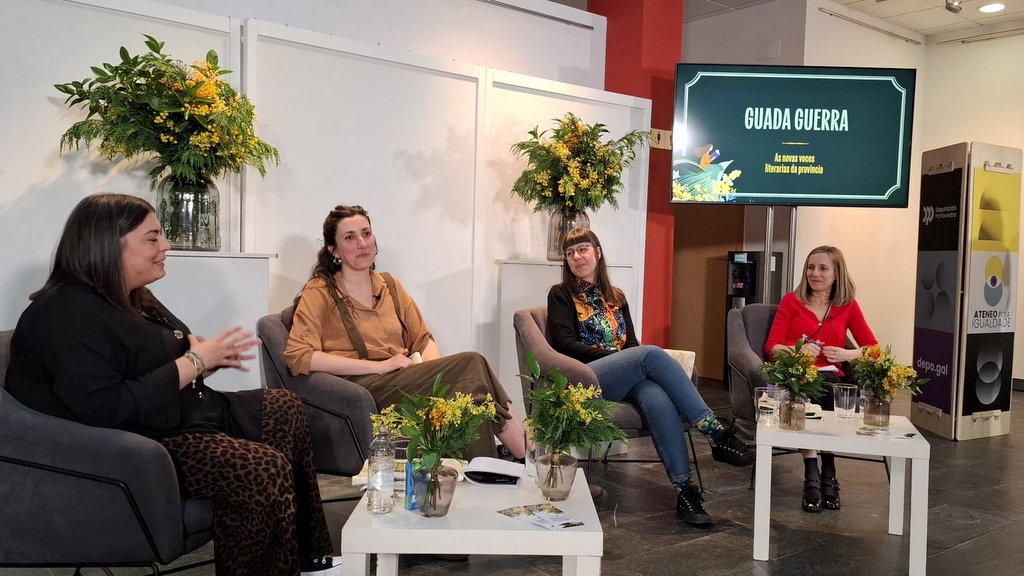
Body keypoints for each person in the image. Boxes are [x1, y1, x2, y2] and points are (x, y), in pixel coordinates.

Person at [4, 194, 334, 575]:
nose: (166, 245)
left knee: (283, 407)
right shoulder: (61, 314)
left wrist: (204, 361)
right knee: (263, 469)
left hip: (175, 415)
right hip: (136, 445)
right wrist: (195, 362)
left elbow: (158, 362)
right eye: (153, 238)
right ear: (109, 245)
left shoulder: (132, 297)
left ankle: (305, 560)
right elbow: (106, 409)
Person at [547, 227, 755, 528]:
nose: (576, 257)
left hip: (622, 376)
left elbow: (631, 344)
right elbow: (565, 344)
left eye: (583, 249)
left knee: (656, 397)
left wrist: (627, 360)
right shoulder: (561, 294)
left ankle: (686, 492)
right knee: (650, 354)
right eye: (570, 253)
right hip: (588, 377)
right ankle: (715, 433)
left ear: (597, 252)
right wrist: (618, 358)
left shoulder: (615, 296)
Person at [284, 205, 526, 461]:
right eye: (349, 237)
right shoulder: (320, 290)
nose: (362, 243)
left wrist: (437, 384)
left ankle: (488, 471)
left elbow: (423, 340)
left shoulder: (390, 285)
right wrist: (379, 367)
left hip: (404, 380)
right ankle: (525, 453)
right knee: (472, 363)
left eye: (366, 233)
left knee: (468, 394)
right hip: (364, 391)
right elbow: (300, 356)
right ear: (334, 251)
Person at [764, 245, 877, 513]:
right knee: (813, 392)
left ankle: (822, 473)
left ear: (837, 274)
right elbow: (772, 346)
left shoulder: (847, 306)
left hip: (829, 376)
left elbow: (874, 349)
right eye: (810, 267)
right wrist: (797, 350)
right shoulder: (791, 301)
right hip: (796, 375)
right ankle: (818, 474)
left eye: (822, 268)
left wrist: (847, 353)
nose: (814, 273)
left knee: (828, 389)